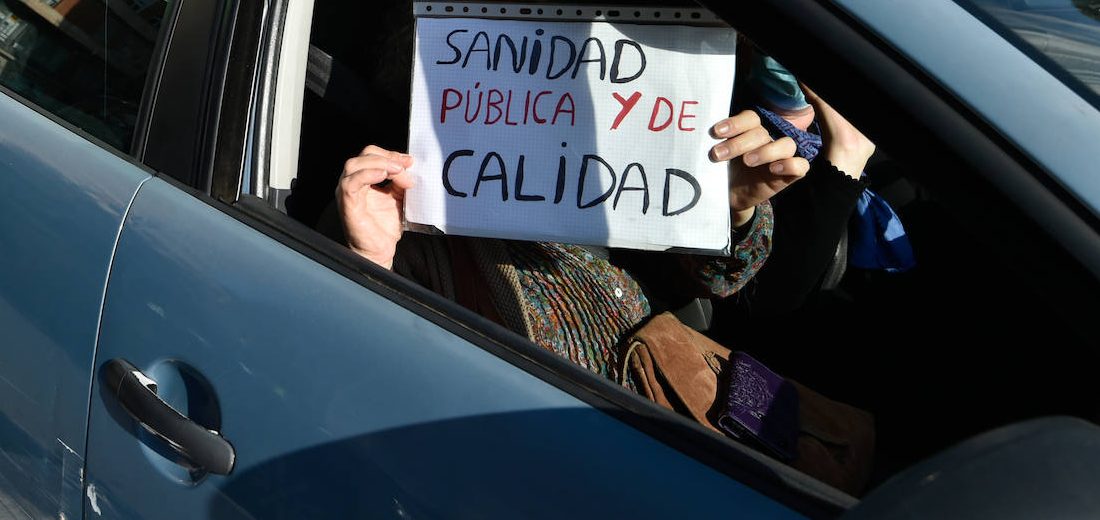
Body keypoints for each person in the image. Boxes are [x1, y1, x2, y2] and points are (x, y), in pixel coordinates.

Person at [332, 108, 813, 388]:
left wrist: (726, 210)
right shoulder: (406, 227)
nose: (512, 109)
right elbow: (361, 380)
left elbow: (715, 281)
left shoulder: (610, 175)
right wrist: (372, 260)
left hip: (680, 407)